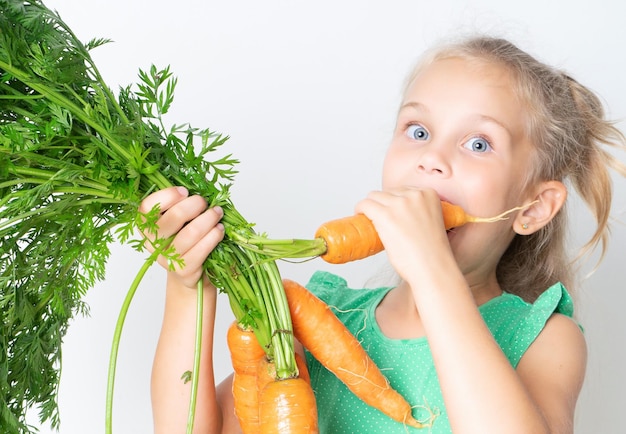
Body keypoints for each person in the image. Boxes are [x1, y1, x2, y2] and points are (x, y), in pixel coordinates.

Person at [143, 36, 626, 433]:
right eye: (417, 131)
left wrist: (433, 270)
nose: (431, 157)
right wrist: (190, 289)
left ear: (534, 208)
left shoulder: (542, 337)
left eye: (478, 143)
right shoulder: (321, 320)